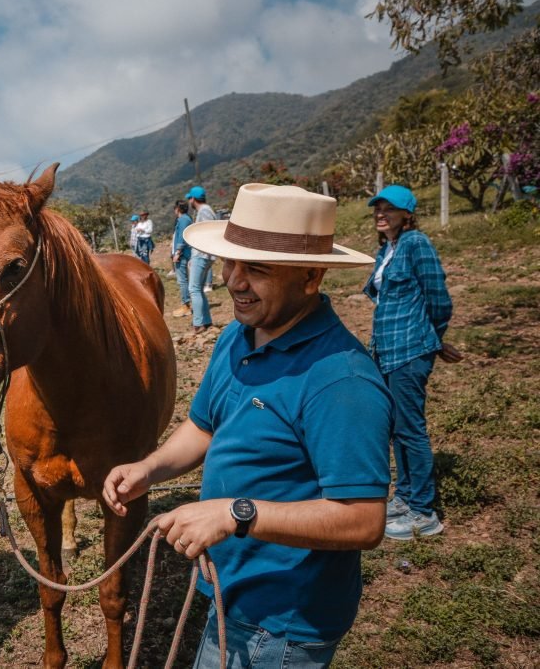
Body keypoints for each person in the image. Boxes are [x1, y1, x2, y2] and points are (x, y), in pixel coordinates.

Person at [103, 184, 391, 668]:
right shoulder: (239, 335)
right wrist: (148, 469)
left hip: (281, 621)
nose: (235, 281)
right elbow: (206, 426)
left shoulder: (340, 381)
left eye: (257, 268)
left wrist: (236, 514)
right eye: (230, 262)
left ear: (311, 276)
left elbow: (363, 520)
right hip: (229, 592)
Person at [363, 185, 462, 541]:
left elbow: (438, 296)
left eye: (389, 209)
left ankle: (424, 510)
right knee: (395, 427)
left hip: (410, 349)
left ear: (407, 214)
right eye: (378, 208)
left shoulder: (416, 243)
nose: (381, 213)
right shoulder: (386, 250)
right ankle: (405, 497)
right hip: (387, 350)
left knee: (410, 428)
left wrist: (431, 339)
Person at [186, 186, 216, 333]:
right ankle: (206, 320)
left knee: (194, 289)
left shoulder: (204, 211)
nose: (189, 201)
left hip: (202, 255)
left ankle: (198, 324)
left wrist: (197, 255)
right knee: (199, 289)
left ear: (193, 199)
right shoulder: (207, 210)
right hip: (204, 255)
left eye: (190, 198)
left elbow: (207, 234)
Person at [171, 200, 193, 316]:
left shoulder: (183, 219)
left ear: (177, 209)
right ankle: (185, 304)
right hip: (182, 253)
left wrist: (177, 252)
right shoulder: (185, 219)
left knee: (182, 280)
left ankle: (186, 305)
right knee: (183, 280)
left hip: (182, 254)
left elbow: (182, 237)